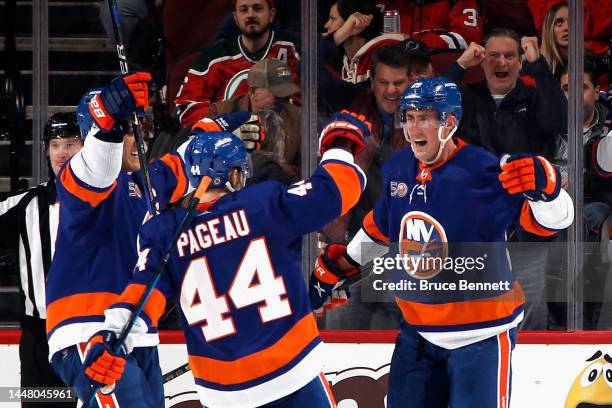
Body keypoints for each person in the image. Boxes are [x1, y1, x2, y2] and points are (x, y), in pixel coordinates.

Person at [309, 77, 574, 406]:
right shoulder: (399, 167)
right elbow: (381, 228)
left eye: (424, 118)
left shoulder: (483, 172)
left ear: (449, 122)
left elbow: (554, 222)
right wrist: (338, 266)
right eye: (408, 117)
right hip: (418, 332)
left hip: (482, 335)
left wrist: (548, 194)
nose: (412, 127)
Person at [81, 111, 371, 407]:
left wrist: (110, 339)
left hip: (222, 393)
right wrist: (340, 146)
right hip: (291, 374)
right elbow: (334, 192)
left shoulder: (163, 232)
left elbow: (143, 297)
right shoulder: (264, 203)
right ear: (234, 175)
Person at [45, 72, 194, 407]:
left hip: (136, 335)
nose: (137, 137)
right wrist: (109, 120)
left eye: (140, 128)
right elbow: (100, 164)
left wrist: (227, 130)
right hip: (89, 331)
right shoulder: (79, 180)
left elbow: (188, 163)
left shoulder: (142, 184)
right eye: (129, 130)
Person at [0, 112, 83, 408]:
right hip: (40, 337)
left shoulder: (115, 201)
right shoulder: (25, 205)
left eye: (72, 143)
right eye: (55, 144)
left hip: (93, 336)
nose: (62, 152)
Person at [174, 0, 300, 128]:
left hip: (282, 139)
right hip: (226, 142)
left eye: (257, 8)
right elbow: (188, 106)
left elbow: (306, 104)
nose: (250, 15)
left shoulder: (292, 50)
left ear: (271, 14)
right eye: (244, 10)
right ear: (235, 17)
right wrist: (221, 127)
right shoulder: (213, 58)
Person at [457, 28, 567, 161]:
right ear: (482, 62)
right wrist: (460, 65)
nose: (502, 62)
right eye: (494, 55)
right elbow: (431, 110)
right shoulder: (465, 99)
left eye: (509, 56)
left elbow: (560, 122)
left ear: (520, 63)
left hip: (526, 180)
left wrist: (538, 65)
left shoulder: (535, 100)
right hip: (476, 181)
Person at [207, 58, 302, 181]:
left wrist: (273, 169)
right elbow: (202, 159)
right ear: (252, 92)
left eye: (287, 94)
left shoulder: (298, 117)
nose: (284, 100)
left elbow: (307, 168)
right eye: (278, 94)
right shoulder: (221, 112)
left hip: (281, 188)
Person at [378, 0, 484, 50]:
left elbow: (467, 41)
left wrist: (413, 42)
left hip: (444, 76)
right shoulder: (388, 3)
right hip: (396, 76)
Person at [539, 2, 568, 79]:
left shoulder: (592, 63)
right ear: (549, 29)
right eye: (559, 23)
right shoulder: (537, 65)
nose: (566, 28)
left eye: (572, 22)